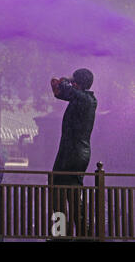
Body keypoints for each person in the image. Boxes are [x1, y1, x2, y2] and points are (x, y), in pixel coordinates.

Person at [50, 68, 97, 237]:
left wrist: (65, 80)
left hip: (73, 153)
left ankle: (62, 234)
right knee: (72, 193)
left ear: (78, 83)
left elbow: (64, 86)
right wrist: (59, 83)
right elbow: (58, 90)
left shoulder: (86, 99)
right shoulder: (81, 99)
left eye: (75, 81)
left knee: (59, 192)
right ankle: (82, 234)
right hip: (74, 153)